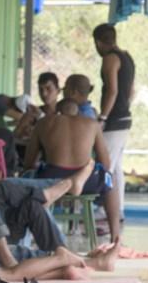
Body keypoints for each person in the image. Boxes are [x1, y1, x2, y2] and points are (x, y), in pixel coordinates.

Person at [23, 98, 122, 242]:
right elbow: (105, 163)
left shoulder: (43, 123)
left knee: (28, 175)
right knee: (110, 178)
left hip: (52, 181)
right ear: (78, 112)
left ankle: (29, 235)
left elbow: (29, 163)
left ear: (57, 112)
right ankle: (115, 236)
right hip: (86, 181)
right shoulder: (92, 124)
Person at [94, 23, 135, 216]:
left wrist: (103, 117)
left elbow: (112, 90)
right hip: (125, 117)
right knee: (116, 167)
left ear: (99, 42)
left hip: (114, 119)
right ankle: (118, 211)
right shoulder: (127, 57)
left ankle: (103, 211)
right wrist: (123, 108)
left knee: (105, 166)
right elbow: (131, 91)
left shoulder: (110, 59)